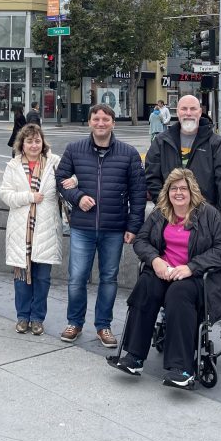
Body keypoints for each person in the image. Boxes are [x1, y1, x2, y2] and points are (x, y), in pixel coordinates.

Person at [113, 168, 221, 388]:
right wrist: (155, 260)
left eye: (183, 188)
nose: (178, 192)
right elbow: (141, 240)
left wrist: (191, 267)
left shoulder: (208, 214)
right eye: (173, 188)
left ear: (192, 191)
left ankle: (181, 368)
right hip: (165, 271)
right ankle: (134, 357)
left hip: (196, 277)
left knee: (179, 293)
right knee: (146, 285)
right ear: (167, 191)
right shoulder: (161, 213)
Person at [56, 103, 146, 348]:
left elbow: (138, 194)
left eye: (106, 119)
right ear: (89, 122)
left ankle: (103, 326)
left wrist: (133, 226)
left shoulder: (128, 153)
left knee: (109, 278)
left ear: (113, 123)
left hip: (114, 228)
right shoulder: (74, 150)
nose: (101, 123)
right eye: (96, 119)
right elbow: (60, 179)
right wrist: (77, 197)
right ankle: (74, 322)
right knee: (76, 278)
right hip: (82, 227)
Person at [0, 123, 62, 336]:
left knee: (42, 278)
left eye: (37, 140)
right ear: (22, 144)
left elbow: (68, 183)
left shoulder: (54, 163)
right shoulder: (13, 166)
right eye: (29, 141)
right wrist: (29, 197)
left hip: (45, 229)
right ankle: (22, 317)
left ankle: (37, 318)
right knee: (21, 277)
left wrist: (72, 180)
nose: (34, 145)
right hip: (20, 230)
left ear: (42, 142)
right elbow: (5, 195)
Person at [145, 94, 221, 220]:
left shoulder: (216, 143)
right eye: (184, 109)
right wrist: (164, 205)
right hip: (169, 216)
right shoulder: (161, 142)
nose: (188, 113)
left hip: (205, 217)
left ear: (200, 112)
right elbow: (151, 177)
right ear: (177, 112)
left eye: (193, 109)